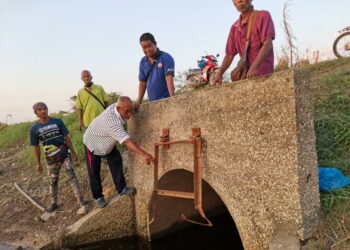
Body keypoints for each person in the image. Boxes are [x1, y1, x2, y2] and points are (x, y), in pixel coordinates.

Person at [83, 96, 154, 208]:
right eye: (127, 112)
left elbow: (127, 107)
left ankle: (122, 189)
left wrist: (132, 107)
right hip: (92, 143)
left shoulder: (116, 107)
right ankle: (99, 197)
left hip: (107, 142)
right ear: (119, 108)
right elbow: (127, 141)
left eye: (131, 111)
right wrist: (144, 154)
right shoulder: (112, 123)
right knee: (94, 172)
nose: (130, 115)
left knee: (116, 161)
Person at [30, 102, 88, 213]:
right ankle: (54, 203)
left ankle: (81, 201)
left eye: (45, 108)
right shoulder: (34, 128)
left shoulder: (57, 121)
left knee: (72, 177)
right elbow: (36, 146)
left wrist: (73, 152)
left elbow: (66, 137)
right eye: (40, 109)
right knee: (53, 180)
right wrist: (38, 163)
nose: (43, 111)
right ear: (36, 113)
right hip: (51, 158)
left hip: (64, 154)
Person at [215, 0, 275, 84]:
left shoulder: (262, 16)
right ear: (233, 3)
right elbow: (229, 55)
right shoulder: (234, 28)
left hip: (263, 76)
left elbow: (268, 44)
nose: (239, 0)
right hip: (245, 77)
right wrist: (220, 73)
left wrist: (254, 67)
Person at [134, 33, 175, 109]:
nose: (147, 50)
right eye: (144, 47)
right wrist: (138, 101)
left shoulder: (166, 57)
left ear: (155, 44)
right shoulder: (143, 62)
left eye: (149, 46)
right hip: (152, 104)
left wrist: (173, 98)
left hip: (166, 101)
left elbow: (169, 77)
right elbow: (143, 82)